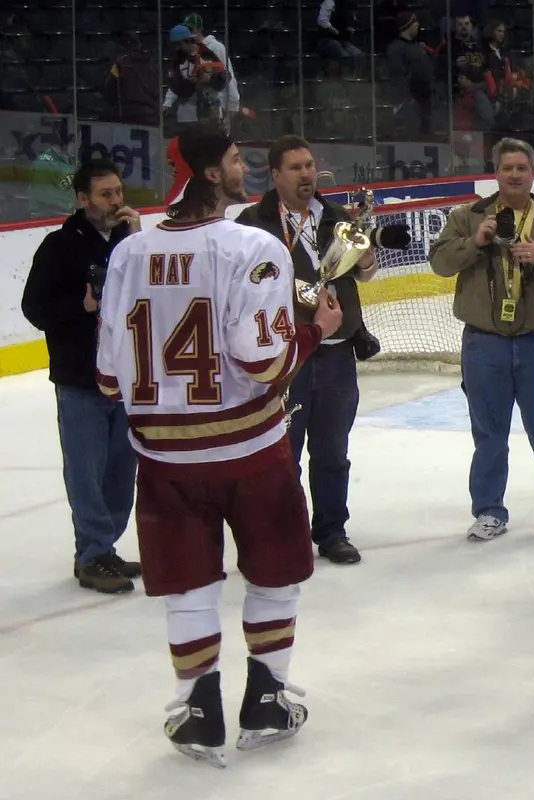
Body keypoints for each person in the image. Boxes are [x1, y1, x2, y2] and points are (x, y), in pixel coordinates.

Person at [95, 124, 342, 766]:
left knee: (189, 587)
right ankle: (266, 696)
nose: (243, 167)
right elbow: (265, 361)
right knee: (276, 572)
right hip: (251, 449)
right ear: (210, 174)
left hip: (165, 458)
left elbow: (107, 376)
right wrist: (315, 330)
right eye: (234, 159)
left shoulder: (128, 253)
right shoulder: (252, 245)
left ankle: (199, 708)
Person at [236, 135, 377, 565]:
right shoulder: (252, 223)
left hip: (335, 352)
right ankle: (282, 532)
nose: (306, 175)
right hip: (286, 354)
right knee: (283, 451)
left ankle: (332, 531)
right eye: (295, 168)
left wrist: (369, 260)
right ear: (275, 174)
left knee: (333, 450)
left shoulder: (338, 218)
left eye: (310, 166)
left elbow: (365, 274)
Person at [429, 138, 534, 542]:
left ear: (533, 173)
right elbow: (439, 263)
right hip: (483, 342)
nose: (514, 174)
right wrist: (476, 242)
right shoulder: (468, 216)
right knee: (488, 433)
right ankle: (489, 510)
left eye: (522, 167)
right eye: (507, 167)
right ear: (495, 173)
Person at [21, 158, 141, 594]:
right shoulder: (59, 246)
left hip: (125, 378)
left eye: (118, 193)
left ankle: (103, 548)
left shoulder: (130, 241)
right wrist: (82, 305)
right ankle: (91, 554)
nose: (115, 201)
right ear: (82, 199)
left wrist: (137, 244)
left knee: (120, 470)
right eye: (105, 194)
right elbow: (34, 309)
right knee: (86, 472)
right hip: (80, 379)